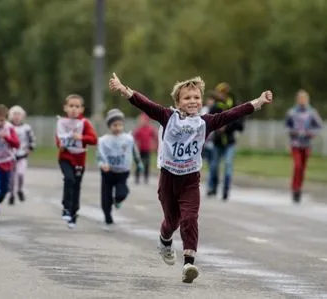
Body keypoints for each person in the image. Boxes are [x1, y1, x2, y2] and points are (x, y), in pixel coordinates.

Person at [109, 73, 273, 284]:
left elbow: (232, 114)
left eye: (196, 97)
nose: (193, 101)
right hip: (168, 178)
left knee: (189, 218)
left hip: (190, 180)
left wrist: (257, 102)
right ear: (178, 102)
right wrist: (124, 89)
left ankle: (188, 263)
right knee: (172, 221)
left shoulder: (206, 122)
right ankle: (164, 240)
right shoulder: (168, 117)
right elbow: (145, 104)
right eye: (187, 98)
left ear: (201, 100)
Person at [55, 94, 98, 229]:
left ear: (81, 109)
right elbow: (58, 139)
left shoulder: (84, 123)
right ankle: (66, 207)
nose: (74, 109)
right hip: (65, 157)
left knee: (77, 185)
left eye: (77, 106)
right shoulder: (61, 122)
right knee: (69, 179)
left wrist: (81, 137)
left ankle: (73, 213)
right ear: (65, 108)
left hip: (80, 159)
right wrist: (60, 144)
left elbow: (94, 140)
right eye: (71, 106)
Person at [97, 108, 142, 231]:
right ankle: (108, 217)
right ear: (109, 126)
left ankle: (117, 200)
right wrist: (102, 164)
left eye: (120, 125)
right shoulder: (103, 141)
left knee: (122, 192)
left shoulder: (128, 138)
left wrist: (138, 163)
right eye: (114, 125)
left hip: (123, 172)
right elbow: (99, 157)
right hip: (107, 172)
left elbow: (134, 151)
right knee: (105, 197)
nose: (117, 128)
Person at [207, 83, 244, 200]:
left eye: (223, 92)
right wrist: (217, 127)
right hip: (217, 142)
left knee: (228, 164)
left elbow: (240, 125)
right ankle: (213, 187)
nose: (221, 95)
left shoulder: (234, 106)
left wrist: (226, 127)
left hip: (230, 142)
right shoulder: (215, 107)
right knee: (214, 166)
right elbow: (209, 122)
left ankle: (226, 189)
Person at [285, 89, 323, 203]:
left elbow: (319, 126)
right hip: (295, 144)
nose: (302, 100)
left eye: (304, 98)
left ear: (307, 99)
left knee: (302, 168)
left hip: (306, 144)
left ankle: (299, 188)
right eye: (300, 98)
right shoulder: (292, 112)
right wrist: (293, 132)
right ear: (297, 99)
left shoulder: (312, 112)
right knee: (297, 166)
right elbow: (286, 127)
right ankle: (295, 188)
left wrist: (311, 133)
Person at [7, 105, 36, 205]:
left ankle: (20, 190)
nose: (16, 117)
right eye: (14, 114)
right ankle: (11, 194)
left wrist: (30, 148)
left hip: (22, 155)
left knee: (20, 174)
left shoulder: (26, 128)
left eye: (18, 114)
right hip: (10, 156)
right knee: (11, 177)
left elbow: (32, 140)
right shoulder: (8, 127)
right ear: (10, 115)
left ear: (22, 116)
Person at [133, 113, 157, 184]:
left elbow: (155, 137)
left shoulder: (150, 129)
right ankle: (137, 178)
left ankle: (146, 178)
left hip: (147, 149)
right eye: (141, 120)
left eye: (144, 120)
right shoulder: (138, 129)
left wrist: (154, 145)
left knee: (147, 164)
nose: (142, 121)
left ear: (147, 121)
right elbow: (134, 138)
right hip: (139, 149)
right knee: (138, 164)